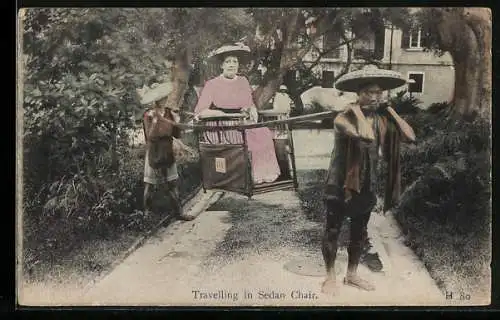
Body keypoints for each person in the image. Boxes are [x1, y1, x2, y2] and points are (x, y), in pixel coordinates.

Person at [321, 65, 416, 294]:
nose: (374, 97)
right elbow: (366, 135)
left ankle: (351, 275)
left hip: (366, 183)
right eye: (368, 93)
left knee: (359, 232)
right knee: (333, 230)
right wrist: (356, 111)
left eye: (378, 93)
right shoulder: (343, 118)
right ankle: (330, 277)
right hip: (339, 183)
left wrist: (391, 111)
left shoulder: (383, 118)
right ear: (358, 94)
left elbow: (410, 136)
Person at [194, 43, 281, 184]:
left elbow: (249, 103)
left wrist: (251, 110)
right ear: (221, 65)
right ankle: (246, 177)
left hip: (242, 122)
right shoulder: (212, 84)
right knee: (248, 140)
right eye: (228, 62)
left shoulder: (243, 81)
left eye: (235, 62)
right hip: (222, 126)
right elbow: (200, 111)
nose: (231, 65)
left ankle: (262, 174)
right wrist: (221, 114)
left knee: (263, 132)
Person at [140, 82, 195, 221]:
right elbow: (150, 136)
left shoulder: (170, 113)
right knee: (150, 185)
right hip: (154, 151)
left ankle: (179, 213)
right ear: (155, 100)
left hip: (167, 150)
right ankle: (146, 215)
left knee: (172, 183)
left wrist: (176, 122)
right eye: (160, 98)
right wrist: (155, 122)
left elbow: (176, 134)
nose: (163, 100)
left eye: (165, 97)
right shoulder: (148, 115)